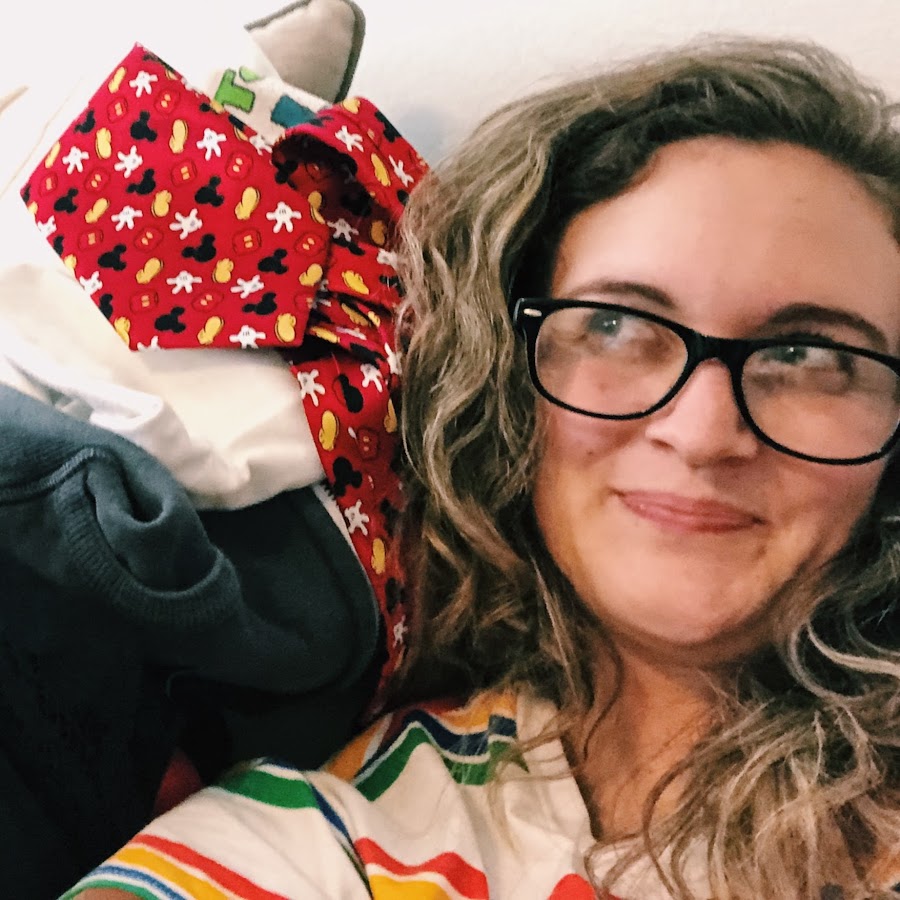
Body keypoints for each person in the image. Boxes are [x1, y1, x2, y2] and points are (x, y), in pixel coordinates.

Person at [67, 35, 900, 900]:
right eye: (614, 326)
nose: (702, 434)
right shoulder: (348, 835)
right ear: (502, 377)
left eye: (811, 356)